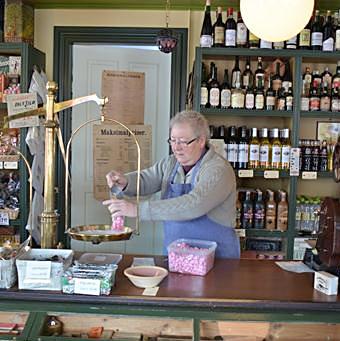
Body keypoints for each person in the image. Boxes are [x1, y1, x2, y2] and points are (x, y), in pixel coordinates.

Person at [103, 110, 240, 258]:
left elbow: (195, 203)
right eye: (173, 140)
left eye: (182, 141)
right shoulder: (170, 163)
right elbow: (147, 179)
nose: (176, 147)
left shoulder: (218, 170)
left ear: (201, 141)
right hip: (177, 257)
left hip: (217, 261)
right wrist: (125, 182)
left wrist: (138, 210)